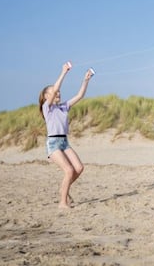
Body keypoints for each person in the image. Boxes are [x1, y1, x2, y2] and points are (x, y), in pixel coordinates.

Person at [38, 62, 94, 209]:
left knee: (79, 168)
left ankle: (63, 189)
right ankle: (62, 203)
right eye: (54, 92)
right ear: (46, 97)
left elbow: (80, 95)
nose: (58, 93)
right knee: (69, 170)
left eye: (58, 92)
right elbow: (57, 87)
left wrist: (86, 79)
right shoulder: (47, 108)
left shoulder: (64, 106)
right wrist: (64, 72)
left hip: (64, 142)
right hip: (53, 144)